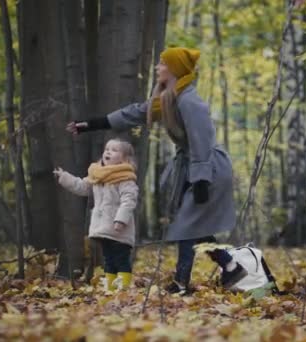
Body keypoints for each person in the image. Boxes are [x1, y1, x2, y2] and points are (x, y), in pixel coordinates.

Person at [67, 47, 247, 295]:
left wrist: (202, 179)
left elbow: (201, 141)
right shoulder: (169, 99)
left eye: (162, 63)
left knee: (188, 225)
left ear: (174, 69)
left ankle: (183, 283)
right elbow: (134, 113)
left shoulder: (190, 102)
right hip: (194, 167)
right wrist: (90, 125)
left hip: (208, 168)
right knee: (194, 226)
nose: (157, 67)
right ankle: (230, 265)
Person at [53, 138, 138, 291]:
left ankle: (124, 287)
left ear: (124, 159)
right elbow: (81, 186)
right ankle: (111, 288)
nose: (108, 152)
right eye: (107, 149)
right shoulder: (98, 176)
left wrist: (120, 220)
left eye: (114, 150)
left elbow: (129, 201)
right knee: (108, 259)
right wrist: (64, 177)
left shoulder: (126, 178)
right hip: (104, 228)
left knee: (121, 258)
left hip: (119, 228)